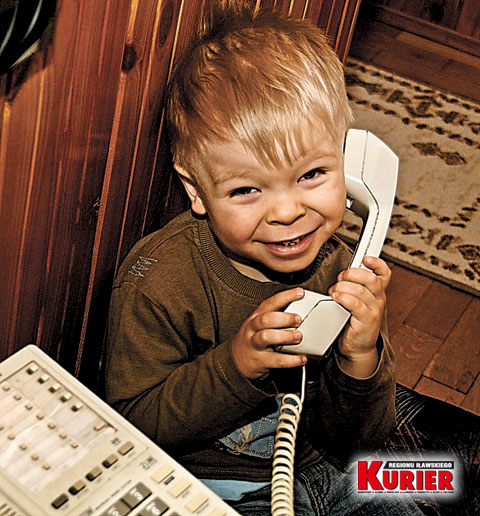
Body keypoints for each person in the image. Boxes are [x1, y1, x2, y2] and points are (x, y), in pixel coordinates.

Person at [104, 1, 424, 514]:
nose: (287, 212)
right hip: (217, 485)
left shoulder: (341, 269)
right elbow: (131, 426)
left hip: (329, 470)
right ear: (196, 190)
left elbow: (360, 441)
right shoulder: (159, 281)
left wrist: (360, 357)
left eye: (312, 175)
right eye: (247, 189)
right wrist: (235, 366)